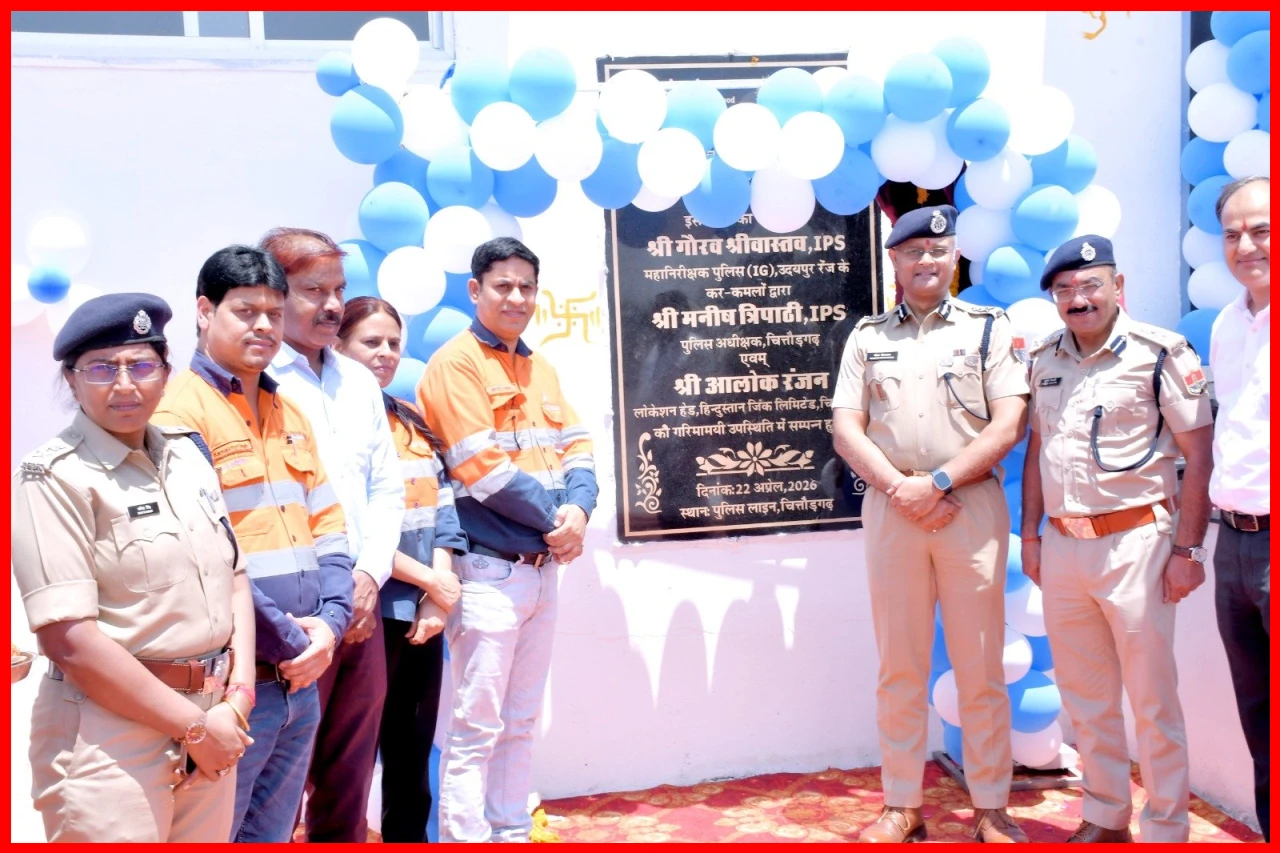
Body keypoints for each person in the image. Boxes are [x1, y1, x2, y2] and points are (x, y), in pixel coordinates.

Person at [12, 293, 256, 842]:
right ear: (71, 381)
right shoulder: (54, 477)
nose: (125, 383)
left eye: (141, 365)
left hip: (215, 721)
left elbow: (233, 576)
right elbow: (68, 639)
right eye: (101, 367)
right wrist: (192, 727)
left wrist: (237, 699)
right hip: (110, 736)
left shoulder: (188, 454)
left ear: (165, 374)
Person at [831, 205, 1030, 844]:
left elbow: (1009, 423)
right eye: (912, 252)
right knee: (901, 666)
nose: (926, 262)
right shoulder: (867, 337)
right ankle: (901, 805)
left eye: (938, 253)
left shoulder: (986, 329)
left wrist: (939, 483)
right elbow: (846, 428)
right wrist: (902, 489)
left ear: (954, 259)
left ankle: (992, 805)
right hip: (894, 512)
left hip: (970, 507)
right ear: (893, 259)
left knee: (980, 664)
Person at [152, 246, 354, 843]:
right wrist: (297, 642)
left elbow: (330, 523)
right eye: (245, 311)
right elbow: (207, 559)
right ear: (204, 312)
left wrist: (332, 624)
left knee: (271, 834)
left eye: (273, 311)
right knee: (212, 834)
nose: (264, 326)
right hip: (234, 687)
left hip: (299, 677)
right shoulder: (176, 411)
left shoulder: (287, 407)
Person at [1021, 235, 1213, 843]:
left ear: (1117, 286)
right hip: (1063, 547)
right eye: (1065, 290)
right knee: (1086, 697)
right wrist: (1029, 536)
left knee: (1152, 703)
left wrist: (1187, 551)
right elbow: (1037, 451)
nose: (1078, 299)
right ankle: (1104, 814)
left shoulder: (1160, 352)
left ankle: (1165, 828)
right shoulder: (1045, 359)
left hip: (1138, 546)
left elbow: (1199, 456)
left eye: (1090, 285)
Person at [417, 237, 598, 843]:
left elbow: (578, 445)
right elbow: (482, 469)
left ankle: (512, 831)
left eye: (526, 286)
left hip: (543, 570)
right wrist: (559, 519)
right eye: (503, 286)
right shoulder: (455, 364)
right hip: (490, 574)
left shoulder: (538, 364)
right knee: (477, 726)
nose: (516, 297)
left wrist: (578, 511)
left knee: (520, 720)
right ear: (476, 291)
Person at [257, 228, 404, 843]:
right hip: (291, 610)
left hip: (360, 605)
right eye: (313, 290)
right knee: (275, 776)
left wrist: (367, 578)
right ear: (273, 295)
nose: (331, 305)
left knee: (349, 769)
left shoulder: (358, 380)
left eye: (338, 289)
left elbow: (385, 490)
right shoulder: (259, 379)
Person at [334, 295, 469, 842]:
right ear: (337, 346)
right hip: (365, 610)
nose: (386, 353)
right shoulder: (331, 422)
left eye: (394, 343)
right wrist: (427, 581)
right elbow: (350, 524)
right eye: (371, 342)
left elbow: (443, 507)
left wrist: (438, 593)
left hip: (420, 612)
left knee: (412, 753)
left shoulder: (407, 418)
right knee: (351, 759)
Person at [1209, 176, 1269, 842]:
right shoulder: (1228, 324)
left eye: (1262, 229)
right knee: (1257, 714)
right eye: (1233, 232)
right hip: (1236, 543)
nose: (1245, 245)